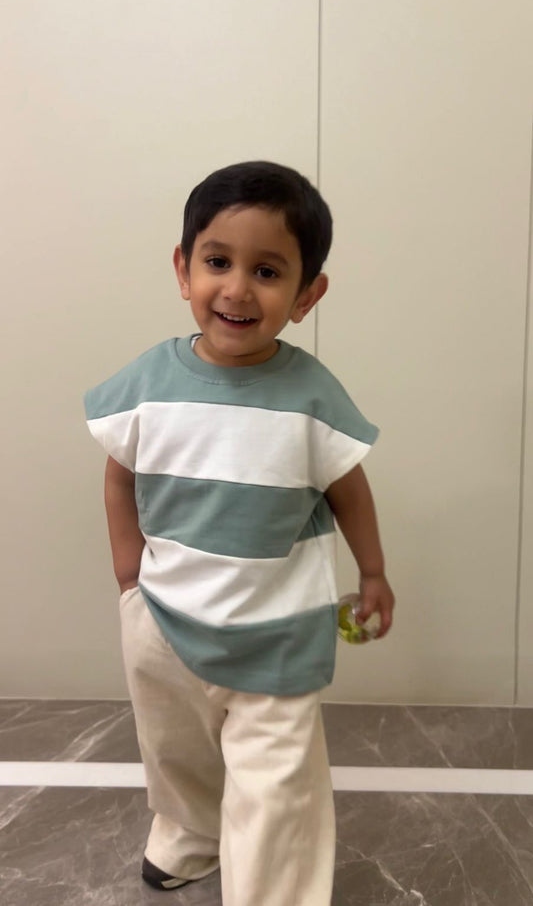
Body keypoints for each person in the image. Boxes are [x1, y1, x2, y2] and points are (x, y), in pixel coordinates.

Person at [84, 160, 395, 906]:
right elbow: (120, 473)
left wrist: (373, 573)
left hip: (276, 634)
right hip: (164, 621)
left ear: (306, 295)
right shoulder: (147, 381)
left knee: (276, 786)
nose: (236, 289)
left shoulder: (311, 396)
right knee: (175, 752)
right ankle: (191, 835)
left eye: (267, 271)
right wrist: (129, 573)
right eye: (217, 261)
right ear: (183, 269)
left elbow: (348, 489)